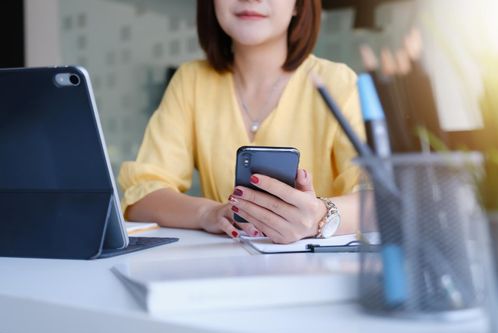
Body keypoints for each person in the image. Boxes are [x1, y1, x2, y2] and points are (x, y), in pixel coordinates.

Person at [118, 0, 366, 244]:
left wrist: (319, 218)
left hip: (315, 274)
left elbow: (383, 200)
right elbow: (141, 198)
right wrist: (209, 213)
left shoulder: (338, 83)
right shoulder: (191, 81)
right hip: (223, 271)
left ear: (299, 5)